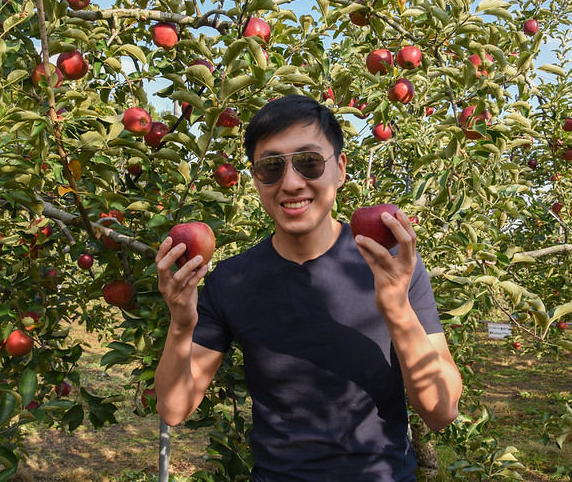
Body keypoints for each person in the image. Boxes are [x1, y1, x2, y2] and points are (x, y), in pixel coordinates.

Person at [154, 95, 462, 481]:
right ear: (255, 179)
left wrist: (396, 307)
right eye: (271, 168)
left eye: (310, 162)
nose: (292, 183)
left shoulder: (391, 265)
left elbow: (441, 411)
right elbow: (173, 408)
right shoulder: (232, 280)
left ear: (341, 169)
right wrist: (181, 324)